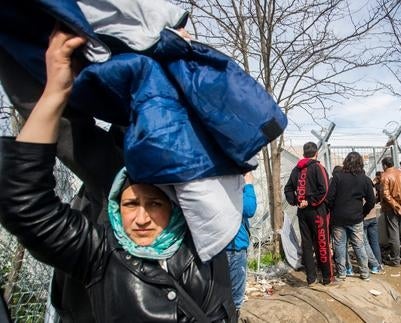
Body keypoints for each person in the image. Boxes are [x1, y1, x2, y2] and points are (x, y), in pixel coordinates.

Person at [0, 28, 236, 322]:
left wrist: (180, 62)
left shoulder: (205, 251)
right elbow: (25, 205)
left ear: (177, 207)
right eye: (130, 204)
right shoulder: (101, 255)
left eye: (155, 204)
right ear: (115, 204)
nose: (140, 219)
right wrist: (54, 93)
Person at [284, 142, 333, 285]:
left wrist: (298, 201)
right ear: (316, 153)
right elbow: (324, 190)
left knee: (306, 243)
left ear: (304, 154)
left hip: (303, 212)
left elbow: (287, 189)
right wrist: (310, 201)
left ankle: (311, 278)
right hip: (317, 211)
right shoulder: (318, 168)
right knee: (322, 242)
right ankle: (326, 277)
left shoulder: (296, 170)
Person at [327, 152, 375, 280]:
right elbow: (371, 201)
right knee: (359, 245)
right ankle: (365, 273)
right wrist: (363, 213)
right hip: (356, 218)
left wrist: (333, 210)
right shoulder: (364, 179)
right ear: (360, 163)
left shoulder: (337, 177)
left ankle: (342, 273)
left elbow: (329, 199)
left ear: (346, 162)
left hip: (338, 218)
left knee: (339, 245)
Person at [226, 172, 257, 311]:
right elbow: (249, 209)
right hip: (233, 247)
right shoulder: (227, 183)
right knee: (236, 300)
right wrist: (249, 184)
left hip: (214, 248)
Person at [380, 157, 401, 266]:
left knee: (394, 233)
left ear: (384, 165)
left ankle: (395, 259)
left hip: (391, 208)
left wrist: (397, 206)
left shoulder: (385, 176)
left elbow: (386, 194)